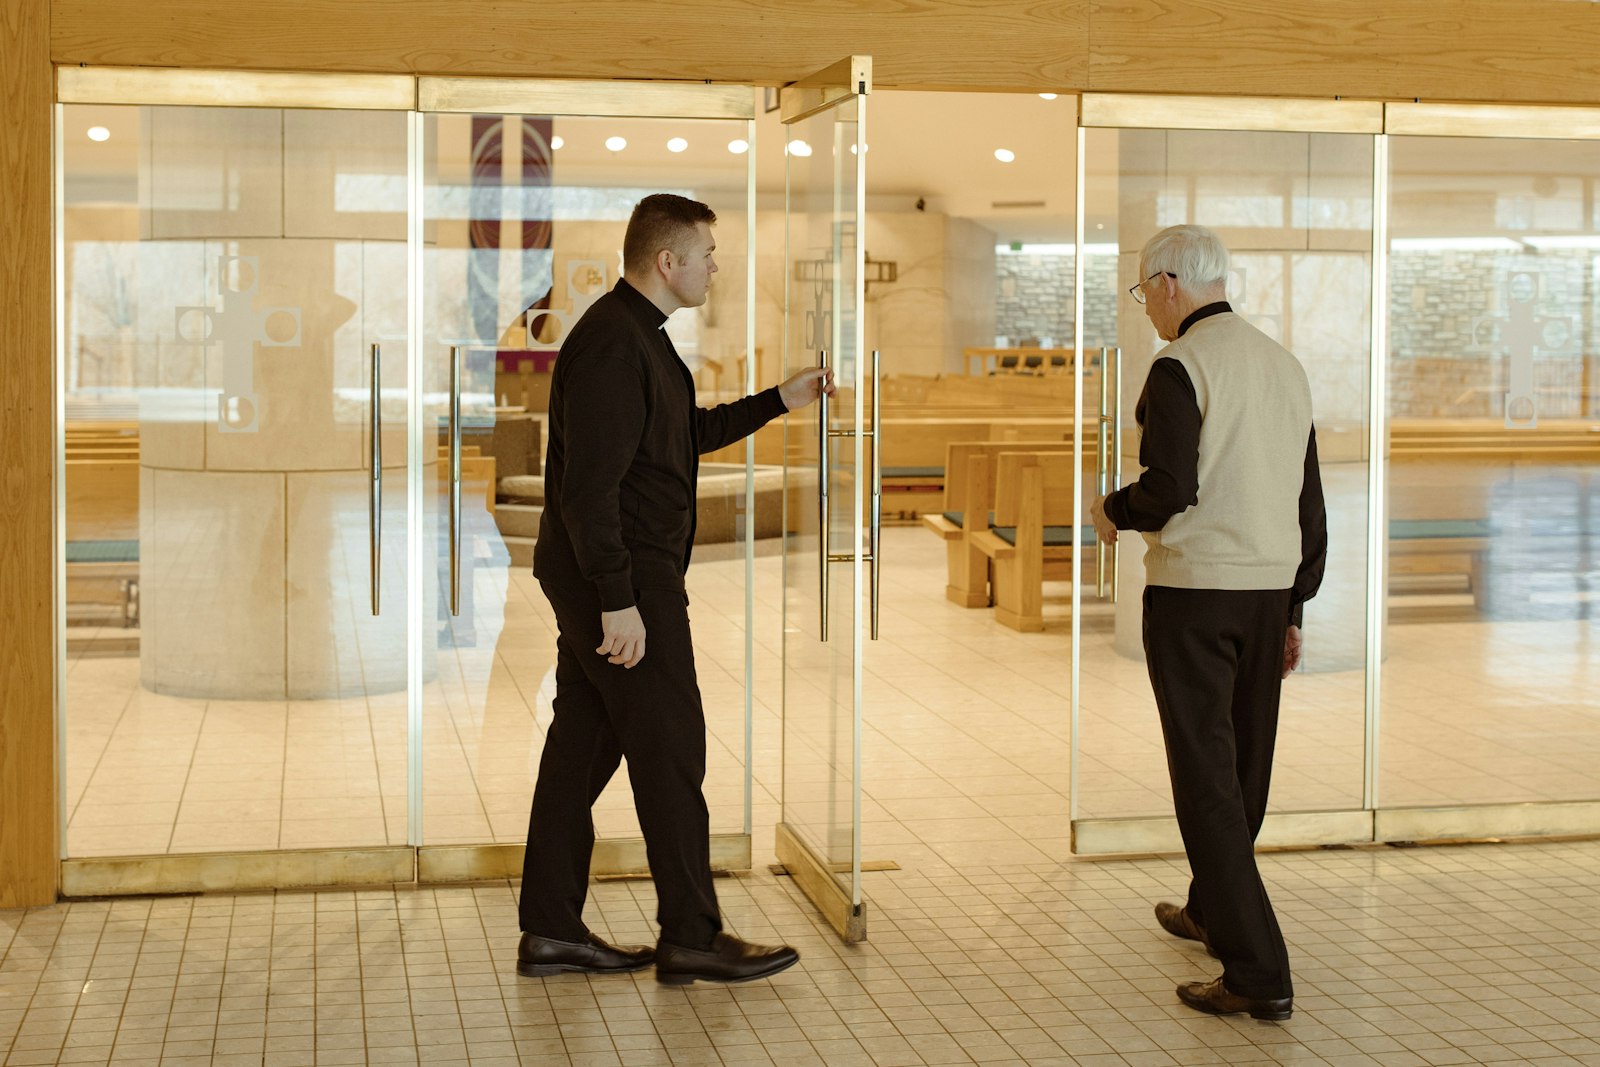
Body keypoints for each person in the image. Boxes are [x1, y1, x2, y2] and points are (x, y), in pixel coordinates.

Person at [517, 193, 833, 985]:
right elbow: (589, 489)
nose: (714, 269)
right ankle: (691, 931)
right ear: (668, 262)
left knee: (580, 751)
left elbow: (679, 440)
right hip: (623, 578)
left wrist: (778, 400)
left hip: (620, 573)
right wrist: (618, 598)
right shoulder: (614, 345)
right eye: (707, 256)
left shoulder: (641, 339)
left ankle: (551, 928)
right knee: (670, 748)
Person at [1090, 224, 1327, 1021]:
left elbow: (1169, 487)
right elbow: (1309, 503)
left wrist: (1112, 510)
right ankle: (1208, 908)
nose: (1147, 308)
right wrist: (1294, 605)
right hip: (1266, 598)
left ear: (1167, 284)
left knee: (1206, 780)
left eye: (1143, 292)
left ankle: (1257, 969)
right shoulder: (1283, 364)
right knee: (1244, 767)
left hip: (1196, 595)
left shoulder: (1179, 366)